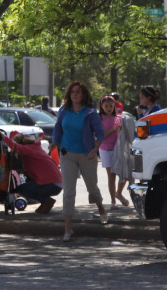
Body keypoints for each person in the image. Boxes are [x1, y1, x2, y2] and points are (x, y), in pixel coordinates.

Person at [51, 80, 108, 240]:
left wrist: (96, 148)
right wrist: (54, 142)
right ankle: (67, 229)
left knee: (92, 187)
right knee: (69, 191)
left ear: (83, 95)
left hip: (86, 154)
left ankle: (101, 208)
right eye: (73, 92)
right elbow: (58, 128)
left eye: (78, 92)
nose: (75, 94)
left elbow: (100, 133)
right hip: (67, 154)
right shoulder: (63, 110)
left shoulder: (90, 113)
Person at [3, 131, 61, 213]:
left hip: (52, 184)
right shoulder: (34, 148)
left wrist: (2, 136)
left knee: (21, 189)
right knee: (28, 182)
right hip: (57, 183)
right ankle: (45, 202)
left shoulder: (27, 149)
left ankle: (46, 201)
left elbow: (14, 146)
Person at [98, 95, 129, 207]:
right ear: (102, 106)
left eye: (111, 106)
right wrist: (113, 129)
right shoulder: (100, 118)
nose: (109, 108)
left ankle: (118, 193)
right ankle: (113, 201)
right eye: (106, 106)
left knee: (125, 174)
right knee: (111, 176)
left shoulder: (119, 118)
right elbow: (101, 136)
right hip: (105, 149)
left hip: (118, 149)